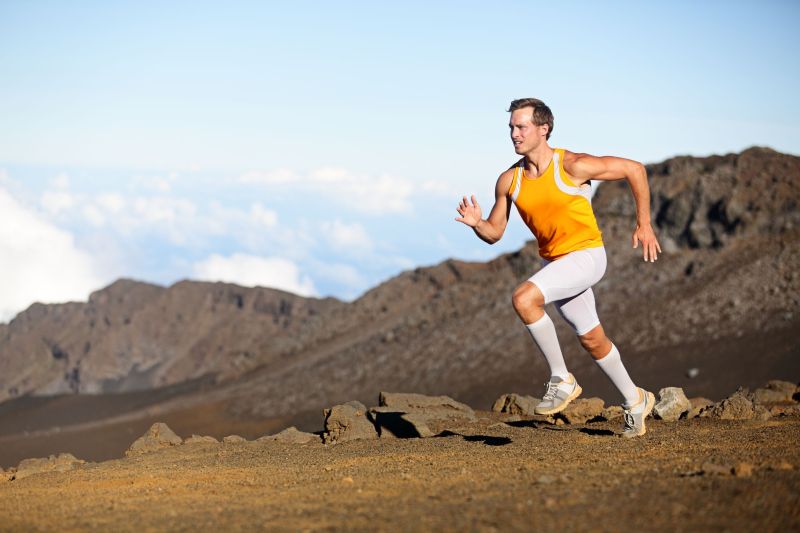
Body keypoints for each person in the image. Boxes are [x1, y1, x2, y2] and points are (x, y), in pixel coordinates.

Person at [455, 98, 662, 437]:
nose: (514, 134)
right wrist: (477, 223)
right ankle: (635, 399)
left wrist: (644, 224)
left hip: (586, 256)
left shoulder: (572, 166)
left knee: (524, 299)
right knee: (594, 341)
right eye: (511, 127)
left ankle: (561, 378)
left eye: (521, 127)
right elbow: (494, 233)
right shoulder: (510, 180)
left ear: (543, 129)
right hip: (557, 263)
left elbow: (634, 169)